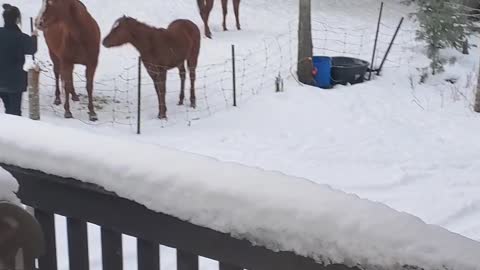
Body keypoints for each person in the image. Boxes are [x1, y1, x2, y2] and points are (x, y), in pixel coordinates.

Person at [0, 3, 37, 116]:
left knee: (8, 109)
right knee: (15, 112)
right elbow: (32, 50)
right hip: (15, 83)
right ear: (17, 19)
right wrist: (34, 37)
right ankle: (13, 132)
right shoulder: (22, 38)